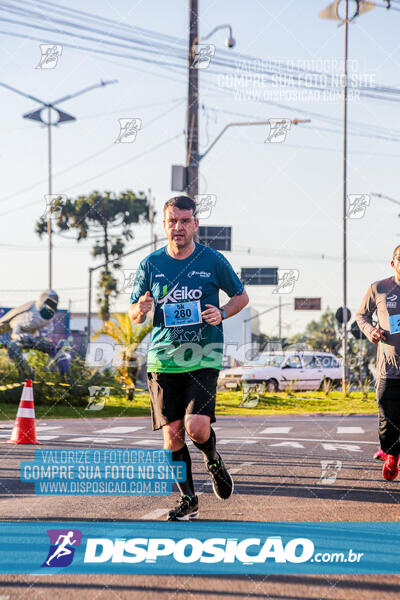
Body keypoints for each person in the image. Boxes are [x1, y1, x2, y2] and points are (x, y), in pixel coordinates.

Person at [129, 195, 248, 519]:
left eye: (185, 221)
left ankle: (212, 459)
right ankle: (189, 499)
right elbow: (134, 313)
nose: (178, 227)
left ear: (195, 224)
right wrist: (139, 311)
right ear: (164, 224)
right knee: (173, 434)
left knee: (196, 427)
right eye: (172, 221)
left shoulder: (212, 260)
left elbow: (241, 297)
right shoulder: (151, 264)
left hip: (203, 355)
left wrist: (222, 312)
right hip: (163, 360)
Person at [356, 245, 400, 480]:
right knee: (386, 414)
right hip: (389, 368)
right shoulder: (379, 288)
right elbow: (361, 315)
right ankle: (392, 452)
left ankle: (393, 456)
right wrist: (371, 331)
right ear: (393, 263)